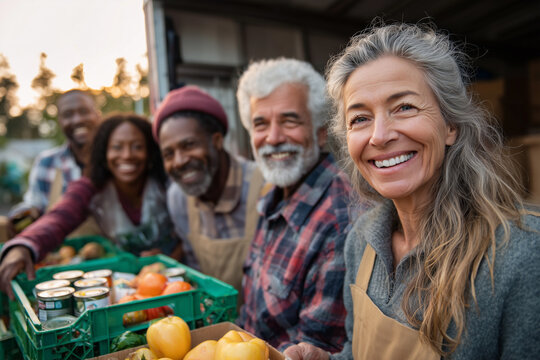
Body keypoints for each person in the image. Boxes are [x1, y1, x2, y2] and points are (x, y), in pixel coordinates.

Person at [285, 23, 540, 360]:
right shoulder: (361, 241)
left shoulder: (521, 255)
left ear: (450, 125)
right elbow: (359, 351)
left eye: (404, 107)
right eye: (359, 118)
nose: (379, 135)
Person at [236, 58, 360, 352]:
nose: (274, 138)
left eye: (290, 121)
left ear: (320, 131)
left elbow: (314, 349)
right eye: (260, 124)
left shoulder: (340, 221)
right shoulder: (273, 196)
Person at [0, 114, 177, 299]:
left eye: (137, 147)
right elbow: (60, 216)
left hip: (174, 279)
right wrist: (24, 246)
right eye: (116, 147)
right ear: (104, 153)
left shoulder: (165, 183)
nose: (127, 155)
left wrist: (170, 257)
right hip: (127, 284)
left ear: (150, 152)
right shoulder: (91, 188)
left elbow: (187, 231)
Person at [152, 85, 265, 294]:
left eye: (189, 145)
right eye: (168, 154)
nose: (178, 161)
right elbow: (195, 267)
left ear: (217, 141)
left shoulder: (263, 186)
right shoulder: (177, 197)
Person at [7, 89, 101, 234]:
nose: (77, 120)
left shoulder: (115, 160)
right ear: (60, 121)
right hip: (63, 253)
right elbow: (34, 204)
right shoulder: (47, 162)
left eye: (84, 111)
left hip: (115, 253)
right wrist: (22, 217)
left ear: (97, 114)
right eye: (68, 115)